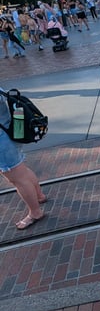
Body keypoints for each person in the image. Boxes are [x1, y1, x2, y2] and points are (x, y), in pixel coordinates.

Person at [0, 89, 46, 230]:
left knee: (17, 178)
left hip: (2, 140)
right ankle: (38, 195)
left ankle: (35, 212)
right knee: (21, 170)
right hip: (10, 130)